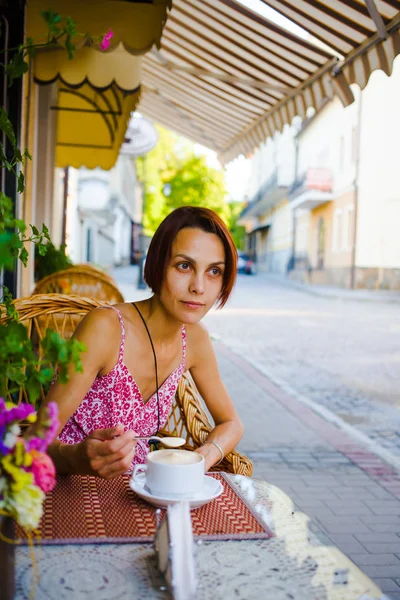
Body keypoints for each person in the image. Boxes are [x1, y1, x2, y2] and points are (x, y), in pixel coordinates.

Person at [42, 206, 244, 479]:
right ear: (158, 265)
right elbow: (36, 442)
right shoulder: (106, 328)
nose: (199, 286)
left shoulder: (195, 339)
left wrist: (200, 460)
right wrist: (77, 457)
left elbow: (231, 423)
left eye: (214, 271)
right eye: (184, 266)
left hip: (142, 492)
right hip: (69, 486)